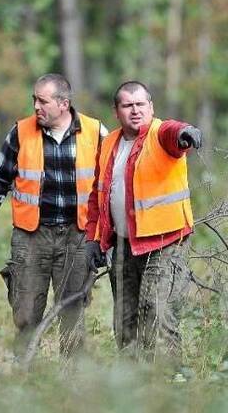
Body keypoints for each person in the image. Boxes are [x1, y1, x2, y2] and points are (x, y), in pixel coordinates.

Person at [0, 73, 106, 357]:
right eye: (34, 99)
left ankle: (73, 386)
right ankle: (23, 378)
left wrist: (106, 236)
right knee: (26, 314)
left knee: (72, 314)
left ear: (63, 104)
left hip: (77, 236)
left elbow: (112, 185)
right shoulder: (20, 132)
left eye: (42, 101)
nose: (36, 107)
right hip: (32, 237)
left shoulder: (95, 132)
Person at [85, 81, 202, 365]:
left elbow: (173, 131)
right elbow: (97, 195)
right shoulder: (109, 142)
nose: (135, 110)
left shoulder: (160, 134)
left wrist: (185, 133)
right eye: (128, 105)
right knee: (124, 318)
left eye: (141, 104)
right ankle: (132, 385)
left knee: (156, 309)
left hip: (164, 242)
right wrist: (93, 238)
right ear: (116, 111)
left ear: (151, 107)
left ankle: (175, 378)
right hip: (123, 244)